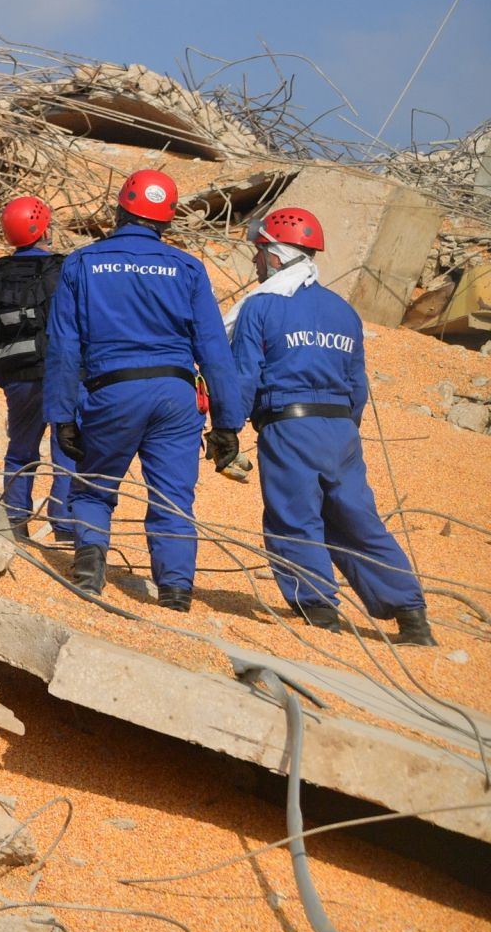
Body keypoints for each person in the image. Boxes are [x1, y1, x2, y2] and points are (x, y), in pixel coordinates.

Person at [225, 207, 435, 645]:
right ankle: (411, 615)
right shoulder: (344, 312)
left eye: (258, 254)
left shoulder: (260, 308)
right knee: (357, 518)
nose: (254, 263)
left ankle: (318, 613)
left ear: (275, 257)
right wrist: (342, 430)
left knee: (293, 516)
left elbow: (244, 374)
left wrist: (226, 429)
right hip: (341, 431)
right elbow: (357, 385)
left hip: (288, 426)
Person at [42, 170, 244, 610]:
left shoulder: (82, 263)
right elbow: (214, 350)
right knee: (173, 497)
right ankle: (175, 593)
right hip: (176, 396)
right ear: (166, 222)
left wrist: (60, 415)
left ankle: (90, 572)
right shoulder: (188, 268)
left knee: (93, 488)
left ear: (119, 211)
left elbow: (64, 347)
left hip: (112, 392)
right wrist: (228, 423)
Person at [0, 195, 76, 541]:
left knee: (20, 452)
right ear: (44, 229)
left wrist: (3, 379)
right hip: (61, 374)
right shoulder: (64, 269)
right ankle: (65, 526)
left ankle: (15, 523)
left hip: (17, 376)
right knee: (67, 450)